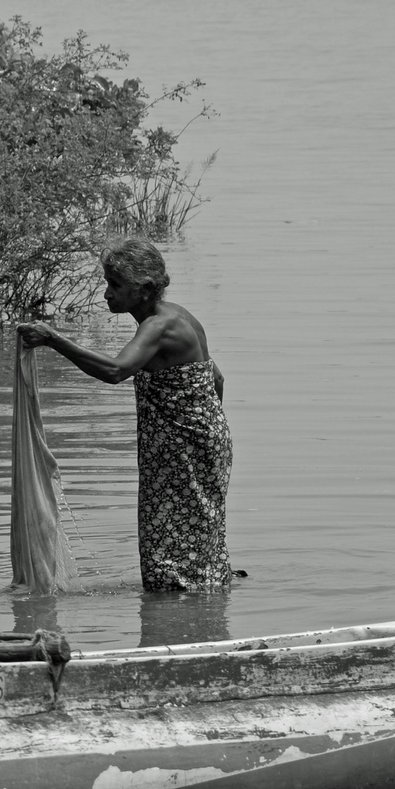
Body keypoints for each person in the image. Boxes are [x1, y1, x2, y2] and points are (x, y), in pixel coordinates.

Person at [16, 238, 233, 591]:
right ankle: (199, 610)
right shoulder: (179, 315)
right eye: (107, 283)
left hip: (182, 453)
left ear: (144, 289)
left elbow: (116, 371)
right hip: (197, 445)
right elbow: (217, 379)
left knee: (169, 549)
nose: (106, 294)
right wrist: (204, 432)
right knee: (194, 538)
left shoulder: (158, 327)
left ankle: (180, 617)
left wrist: (53, 340)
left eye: (116, 285)